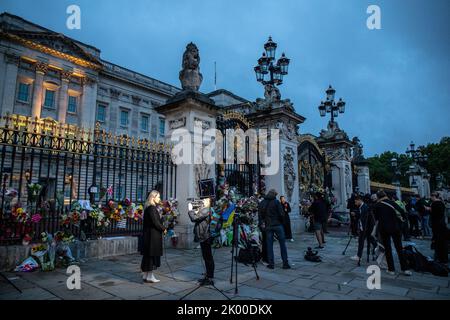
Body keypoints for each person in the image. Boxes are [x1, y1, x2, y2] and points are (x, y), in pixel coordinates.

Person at [373, 190, 412, 276]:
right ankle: (405, 269)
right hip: (395, 228)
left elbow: (376, 218)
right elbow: (403, 212)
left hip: (384, 229)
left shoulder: (377, 205)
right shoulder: (392, 202)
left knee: (388, 249)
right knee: (399, 248)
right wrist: (402, 222)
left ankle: (391, 269)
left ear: (378, 197)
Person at [258, 189, 290, 269]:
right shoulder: (276, 202)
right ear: (274, 195)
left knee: (269, 245)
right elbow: (282, 214)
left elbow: (260, 216)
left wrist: (262, 224)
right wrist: (282, 222)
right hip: (278, 225)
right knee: (282, 244)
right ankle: (285, 263)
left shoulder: (262, 203)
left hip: (268, 226)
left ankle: (271, 263)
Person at [188, 197, 215, 286]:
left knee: (208, 257)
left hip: (205, 236)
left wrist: (190, 210)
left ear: (208, 201)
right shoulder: (204, 209)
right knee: (206, 257)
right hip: (203, 236)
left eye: (204, 200)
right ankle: (208, 275)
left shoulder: (206, 210)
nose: (202, 201)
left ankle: (210, 278)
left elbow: (194, 218)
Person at [141, 190, 166, 283]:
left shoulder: (150, 207)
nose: (159, 199)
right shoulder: (151, 208)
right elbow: (156, 222)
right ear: (153, 197)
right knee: (151, 256)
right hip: (152, 236)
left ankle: (146, 275)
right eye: (158, 197)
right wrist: (164, 228)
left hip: (150, 235)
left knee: (148, 256)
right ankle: (150, 276)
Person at [350, 195, 377, 262]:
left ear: (359, 200)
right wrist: (356, 214)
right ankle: (360, 255)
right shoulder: (362, 207)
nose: (355, 203)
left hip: (366, 228)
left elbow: (366, 218)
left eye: (356, 202)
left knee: (364, 241)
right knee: (363, 241)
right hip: (364, 228)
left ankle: (359, 256)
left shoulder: (364, 207)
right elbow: (361, 215)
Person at [429, 192, 448, 264]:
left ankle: (440, 258)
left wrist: (429, 210)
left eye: (431, 196)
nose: (430, 198)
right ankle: (443, 258)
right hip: (442, 225)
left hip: (437, 225)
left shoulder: (434, 204)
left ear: (434, 196)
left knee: (438, 242)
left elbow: (434, 214)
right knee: (443, 242)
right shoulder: (442, 203)